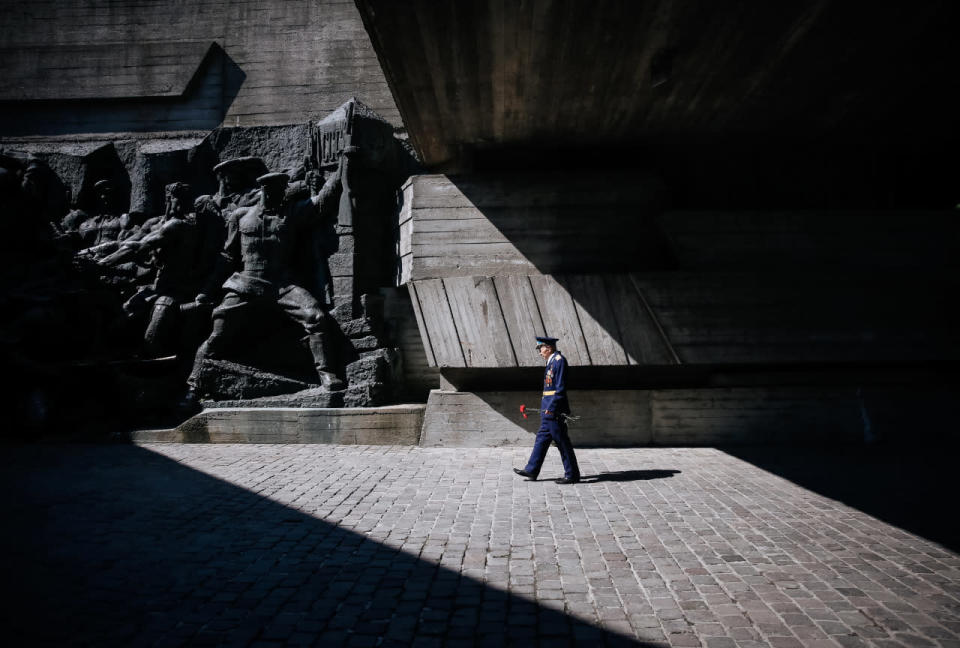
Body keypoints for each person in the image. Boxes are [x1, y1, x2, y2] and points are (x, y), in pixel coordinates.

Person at [183, 156, 349, 404]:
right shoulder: (240, 216)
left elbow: (323, 201)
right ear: (262, 190)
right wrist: (207, 290)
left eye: (279, 190)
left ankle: (326, 374)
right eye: (270, 190)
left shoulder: (292, 212)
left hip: (282, 284)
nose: (275, 194)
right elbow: (227, 257)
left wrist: (342, 165)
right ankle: (192, 388)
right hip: (246, 282)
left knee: (316, 317)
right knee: (218, 332)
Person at [99, 182, 201, 356]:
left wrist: (101, 264)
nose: (170, 203)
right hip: (158, 286)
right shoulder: (167, 223)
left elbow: (138, 247)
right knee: (122, 318)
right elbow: (128, 243)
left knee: (153, 336)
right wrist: (95, 253)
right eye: (169, 199)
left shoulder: (178, 225)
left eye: (172, 199)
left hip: (177, 289)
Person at [514, 336, 581, 484]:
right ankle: (532, 469)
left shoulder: (559, 361)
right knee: (541, 439)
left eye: (540, 348)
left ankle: (572, 474)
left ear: (549, 348)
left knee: (562, 442)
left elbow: (560, 388)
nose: (539, 352)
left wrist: (551, 408)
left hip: (553, 410)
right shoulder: (551, 362)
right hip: (547, 409)